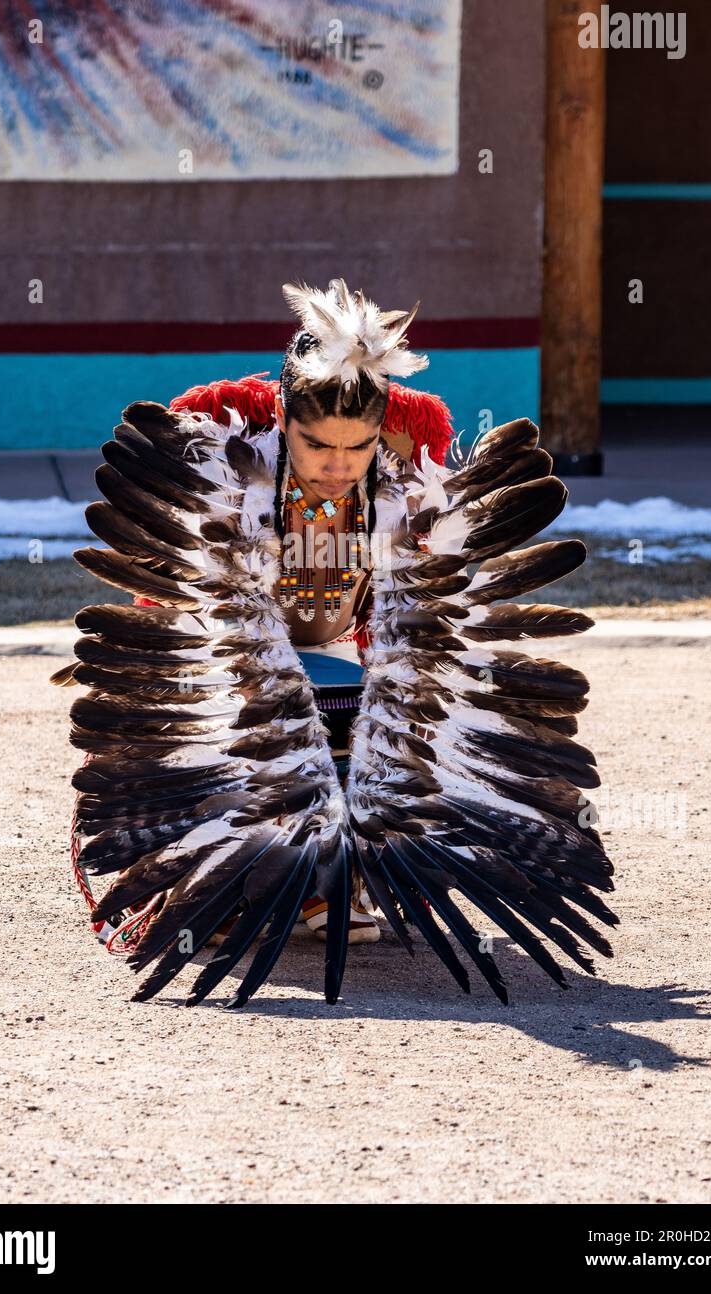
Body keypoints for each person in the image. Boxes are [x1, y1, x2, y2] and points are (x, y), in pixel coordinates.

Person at [57, 276, 617, 1010]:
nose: (335, 463)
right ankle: (229, 866)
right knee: (275, 720)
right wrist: (156, 709)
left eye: (355, 447)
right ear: (282, 421)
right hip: (221, 696)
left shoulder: (407, 495)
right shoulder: (224, 476)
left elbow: (438, 632)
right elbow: (170, 621)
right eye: (316, 443)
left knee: (399, 708)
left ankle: (343, 875)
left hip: (346, 677)